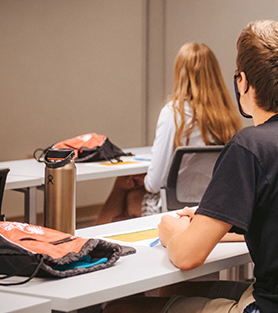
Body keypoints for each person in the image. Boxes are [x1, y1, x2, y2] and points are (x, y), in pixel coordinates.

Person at [103, 20, 278, 313]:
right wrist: (212, 220)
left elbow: (187, 256)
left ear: (241, 82)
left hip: (275, 308)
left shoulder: (252, 145)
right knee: (173, 289)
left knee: (122, 308)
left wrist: (172, 232)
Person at [96, 43, 241, 224]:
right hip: (213, 206)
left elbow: (155, 184)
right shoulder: (228, 117)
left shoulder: (173, 113)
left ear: (180, 74)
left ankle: (92, 244)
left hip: (175, 208)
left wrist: (144, 180)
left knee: (126, 190)